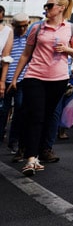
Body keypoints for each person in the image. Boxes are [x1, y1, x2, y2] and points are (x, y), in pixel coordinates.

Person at [9, 0, 73, 175]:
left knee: (48, 117)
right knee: (36, 116)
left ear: (61, 8)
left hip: (58, 79)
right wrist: (15, 78)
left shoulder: (71, 28)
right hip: (35, 76)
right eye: (46, 5)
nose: (46, 8)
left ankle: (40, 152)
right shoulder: (37, 27)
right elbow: (26, 54)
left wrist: (67, 50)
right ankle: (31, 158)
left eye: (50, 5)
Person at [1, 13, 31, 157]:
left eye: (25, 25)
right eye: (19, 26)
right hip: (5, 79)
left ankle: (14, 141)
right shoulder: (9, 36)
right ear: (14, 26)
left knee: (19, 111)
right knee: (3, 111)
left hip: (22, 80)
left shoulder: (30, 38)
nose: (23, 29)